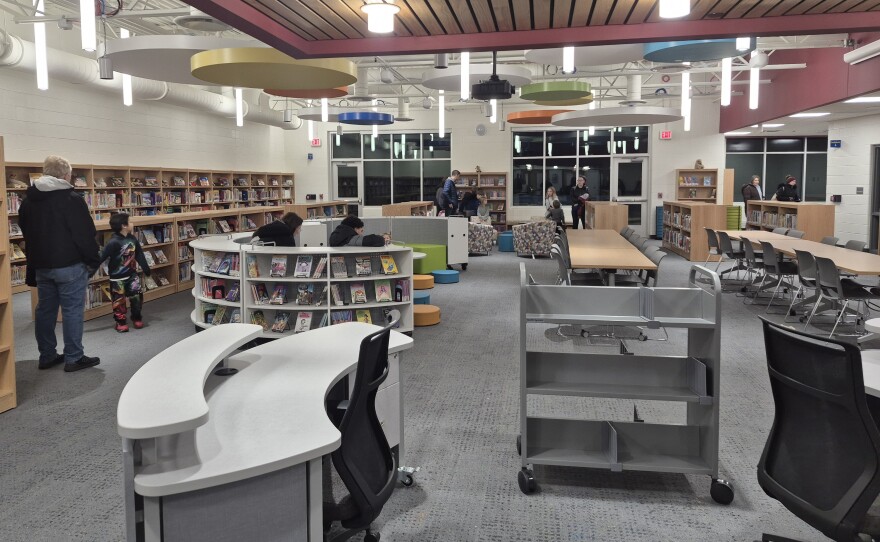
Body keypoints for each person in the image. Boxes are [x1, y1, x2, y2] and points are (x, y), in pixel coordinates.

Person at [19, 155, 101, 372]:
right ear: (66, 175)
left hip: (41, 265)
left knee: (45, 310)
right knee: (72, 310)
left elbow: (25, 231)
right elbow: (85, 234)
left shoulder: (28, 200)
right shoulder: (71, 199)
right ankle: (74, 357)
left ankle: (46, 355)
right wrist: (93, 260)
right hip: (69, 265)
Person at [99, 213, 150, 333]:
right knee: (119, 302)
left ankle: (136, 317)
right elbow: (102, 257)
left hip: (132, 275)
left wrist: (146, 268)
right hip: (117, 279)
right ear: (124, 226)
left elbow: (139, 254)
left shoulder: (132, 239)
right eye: (130, 221)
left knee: (137, 297)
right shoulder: (113, 242)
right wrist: (90, 271)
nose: (132, 223)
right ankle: (120, 322)